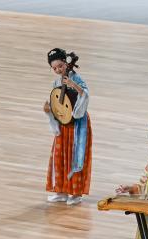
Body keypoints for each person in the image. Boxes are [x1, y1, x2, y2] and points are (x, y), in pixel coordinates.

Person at [43, 48, 92, 205]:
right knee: (60, 155)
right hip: (62, 123)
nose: (58, 70)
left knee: (74, 156)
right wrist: (49, 110)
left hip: (77, 124)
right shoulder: (56, 83)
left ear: (66, 63)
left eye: (60, 66)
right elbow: (57, 103)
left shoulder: (76, 78)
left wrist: (73, 85)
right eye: (54, 68)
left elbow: (85, 94)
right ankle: (61, 191)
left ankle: (75, 193)